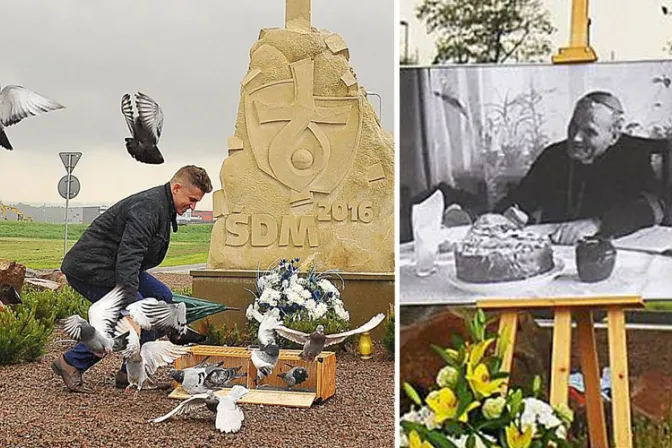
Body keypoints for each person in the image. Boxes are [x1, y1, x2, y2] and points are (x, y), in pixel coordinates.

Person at [51, 165, 213, 393]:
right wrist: (130, 305)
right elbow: (130, 254)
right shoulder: (149, 207)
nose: (193, 206)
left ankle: (133, 372)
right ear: (176, 188)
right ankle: (70, 362)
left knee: (161, 297)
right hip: (90, 269)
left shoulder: (163, 206)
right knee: (135, 313)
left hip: (111, 265)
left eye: (197, 201)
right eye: (192, 199)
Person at [494, 90, 667, 245]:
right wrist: (506, 214)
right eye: (574, 126)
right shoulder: (553, 155)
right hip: (556, 250)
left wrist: (596, 224)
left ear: (613, 135)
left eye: (589, 132)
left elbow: (654, 207)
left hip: (613, 252)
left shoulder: (633, 154)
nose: (576, 138)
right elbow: (521, 199)